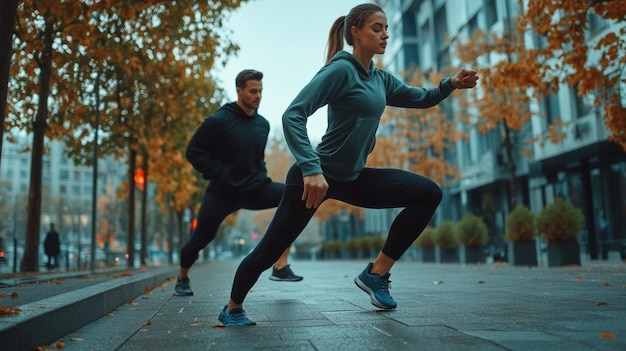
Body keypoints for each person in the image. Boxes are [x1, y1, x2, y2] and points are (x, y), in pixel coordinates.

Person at [217, 3, 478, 326]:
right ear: (355, 32)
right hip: (315, 178)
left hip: (353, 178)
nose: (384, 35)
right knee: (271, 248)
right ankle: (232, 307)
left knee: (427, 193)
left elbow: (421, 98)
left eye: (386, 29)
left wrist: (451, 83)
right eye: (376, 28)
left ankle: (376, 274)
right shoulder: (340, 71)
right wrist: (311, 169)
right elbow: (293, 114)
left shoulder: (380, 79)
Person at [175, 69, 303, 297]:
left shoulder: (262, 124)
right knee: (201, 237)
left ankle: (281, 266)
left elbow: (257, 158)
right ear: (239, 90)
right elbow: (194, 151)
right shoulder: (219, 120)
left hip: (256, 188)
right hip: (223, 192)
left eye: (261, 91)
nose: (258, 96)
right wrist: (219, 174)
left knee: (297, 198)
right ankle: (183, 277)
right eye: (253, 91)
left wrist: (260, 174)